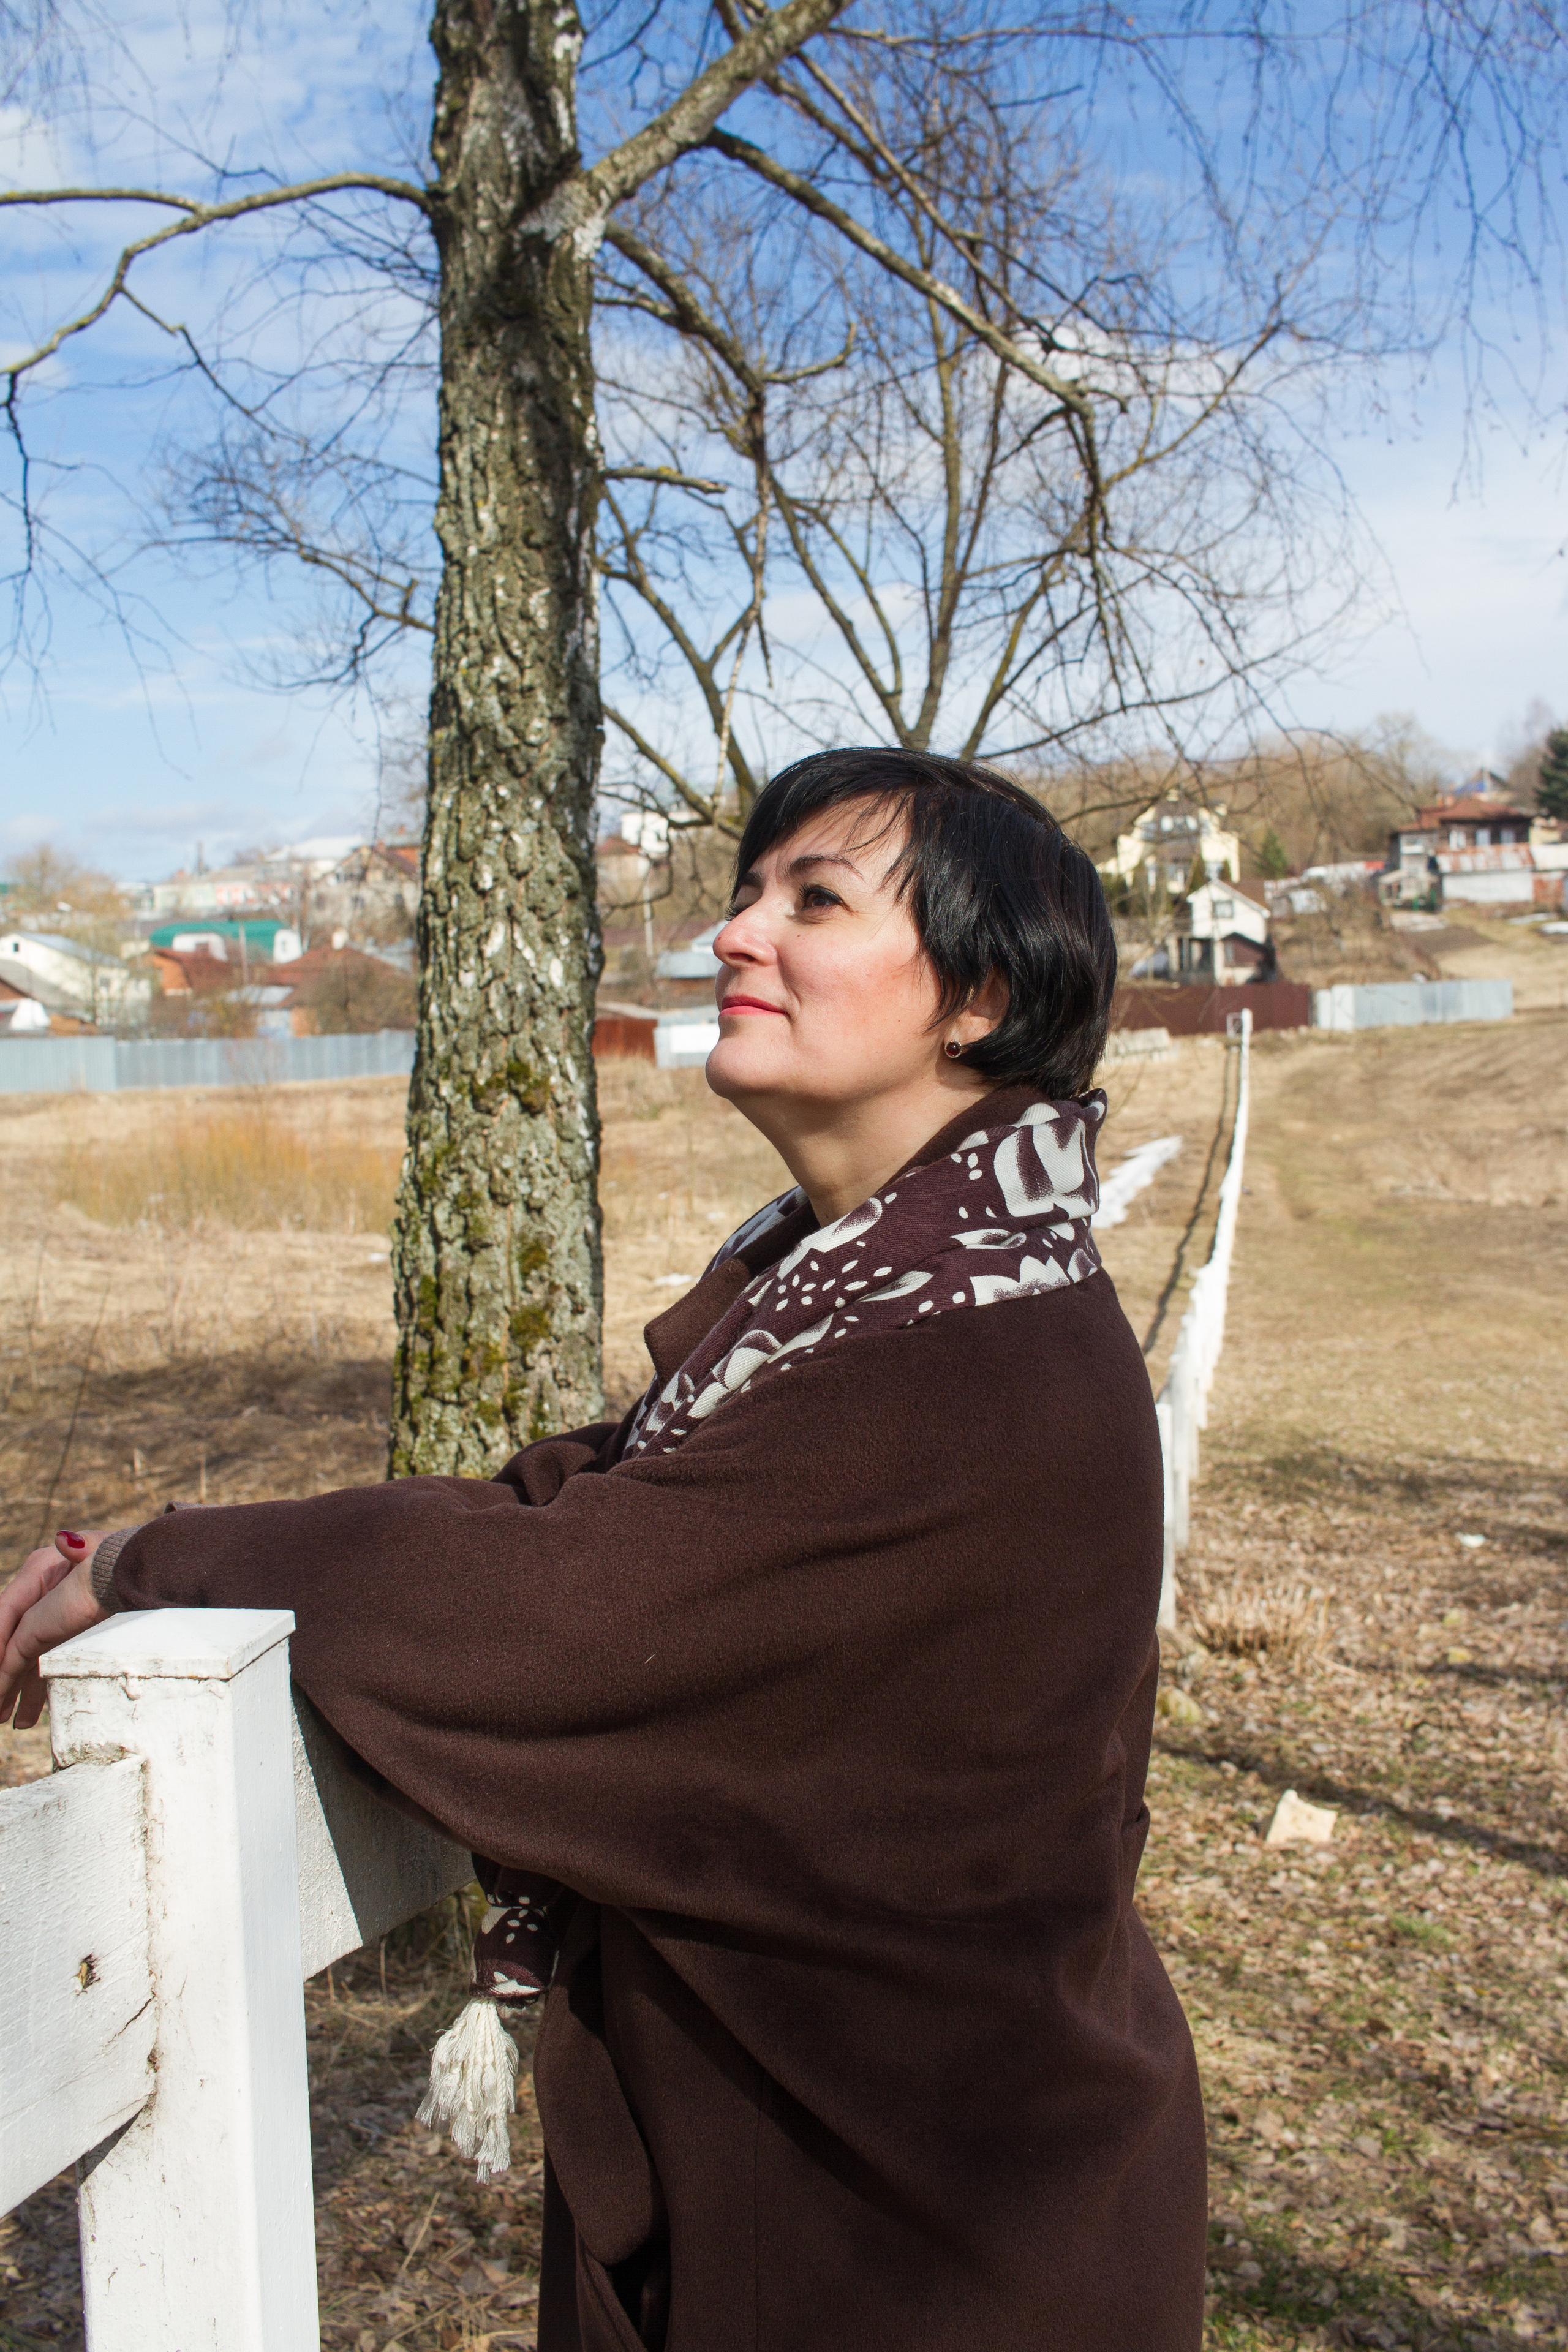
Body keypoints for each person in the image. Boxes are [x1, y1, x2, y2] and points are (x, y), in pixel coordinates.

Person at [1, 749, 1206, 2352]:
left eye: (815, 900)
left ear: (976, 995)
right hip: (868, 2201)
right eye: (746, 891)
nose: (733, 934)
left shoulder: (960, 1359)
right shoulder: (888, 1291)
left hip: (920, 2252)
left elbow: (560, 1614)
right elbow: (577, 1500)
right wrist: (165, 1544)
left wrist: (152, 1564)